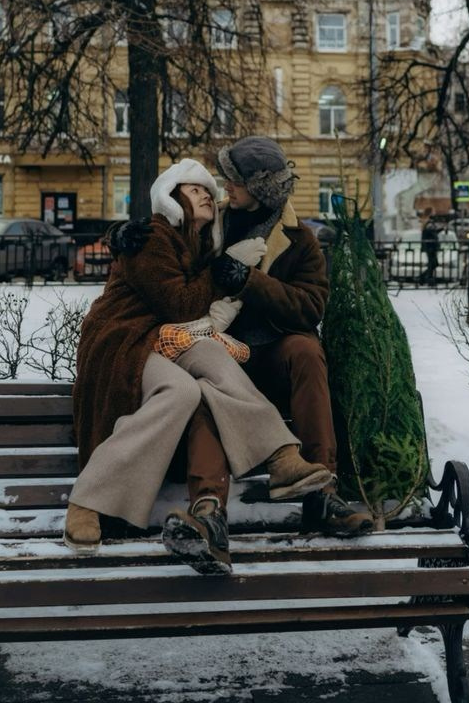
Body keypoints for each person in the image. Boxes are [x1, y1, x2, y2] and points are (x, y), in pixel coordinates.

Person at [66, 158, 332, 573]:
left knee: (213, 355)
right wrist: (226, 272)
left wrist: (233, 272)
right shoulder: (155, 234)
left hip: (172, 336)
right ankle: (88, 500)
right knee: (182, 391)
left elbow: (191, 309)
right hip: (125, 339)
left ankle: (281, 457)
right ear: (171, 200)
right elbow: (181, 303)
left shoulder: (200, 241)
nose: (208, 193)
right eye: (194, 190)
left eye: (209, 189)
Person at [188, 136, 373, 538]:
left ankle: (322, 493)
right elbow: (167, 251)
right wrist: (127, 238)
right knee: (203, 380)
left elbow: (310, 307)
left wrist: (251, 282)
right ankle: (207, 512)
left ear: (259, 188)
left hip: (272, 357)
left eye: (234, 180)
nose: (226, 186)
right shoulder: (210, 225)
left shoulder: (300, 239)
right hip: (219, 354)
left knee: (306, 349)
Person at [419, 214, 440, 285]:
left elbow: (433, 233)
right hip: (431, 248)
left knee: (433, 264)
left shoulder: (429, 225)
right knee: (432, 264)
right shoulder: (430, 225)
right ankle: (426, 278)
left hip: (431, 248)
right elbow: (432, 233)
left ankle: (423, 277)